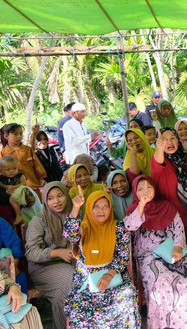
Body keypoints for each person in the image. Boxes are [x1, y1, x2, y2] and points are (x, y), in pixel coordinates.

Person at [124, 175, 187, 329]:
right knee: (160, 280)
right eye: (140, 189)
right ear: (135, 193)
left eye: (148, 187)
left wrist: (177, 247)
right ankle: (166, 324)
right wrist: (141, 204)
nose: (145, 191)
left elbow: (179, 228)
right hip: (149, 255)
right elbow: (130, 226)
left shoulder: (166, 206)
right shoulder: (133, 210)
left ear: (154, 189)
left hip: (173, 248)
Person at [63, 190, 140, 328]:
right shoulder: (83, 228)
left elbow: (122, 256)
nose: (101, 210)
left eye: (105, 206)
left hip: (113, 273)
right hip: (86, 279)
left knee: (127, 296)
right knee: (79, 309)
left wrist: (109, 275)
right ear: (89, 208)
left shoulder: (118, 227)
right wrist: (75, 208)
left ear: (111, 208)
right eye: (96, 206)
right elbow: (70, 235)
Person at [152, 128, 187, 262]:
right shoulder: (160, 161)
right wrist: (160, 148)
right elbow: (158, 161)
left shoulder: (184, 158)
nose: (169, 142)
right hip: (173, 217)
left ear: (178, 140)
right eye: (164, 139)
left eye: (172, 138)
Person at [24, 181, 75, 329]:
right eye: (50, 198)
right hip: (42, 268)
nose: (56, 201)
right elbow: (31, 252)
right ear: (45, 200)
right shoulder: (39, 220)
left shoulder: (73, 214)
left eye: (60, 196)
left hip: (68, 265)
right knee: (71, 277)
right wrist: (56, 252)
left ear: (66, 195)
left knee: (66, 290)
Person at [1, 124, 47, 192]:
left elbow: (37, 165)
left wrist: (41, 178)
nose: (19, 137)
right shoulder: (3, 154)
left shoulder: (28, 150)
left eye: (21, 134)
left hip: (33, 187)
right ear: (6, 136)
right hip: (15, 190)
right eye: (15, 134)